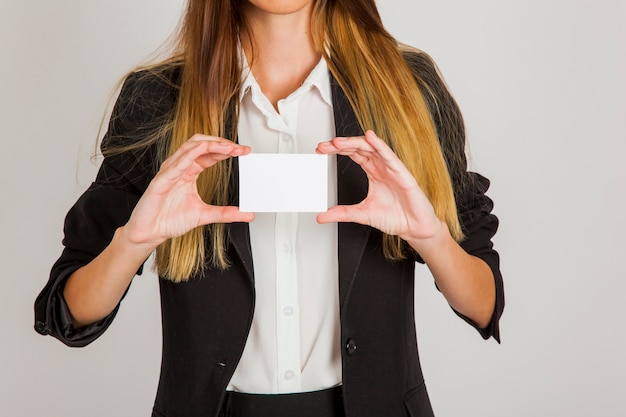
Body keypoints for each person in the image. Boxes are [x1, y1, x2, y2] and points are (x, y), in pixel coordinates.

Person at [34, 1, 504, 416]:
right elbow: (67, 312)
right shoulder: (158, 99)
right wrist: (132, 242)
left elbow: (485, 305)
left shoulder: (406, 89)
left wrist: (432, 238)